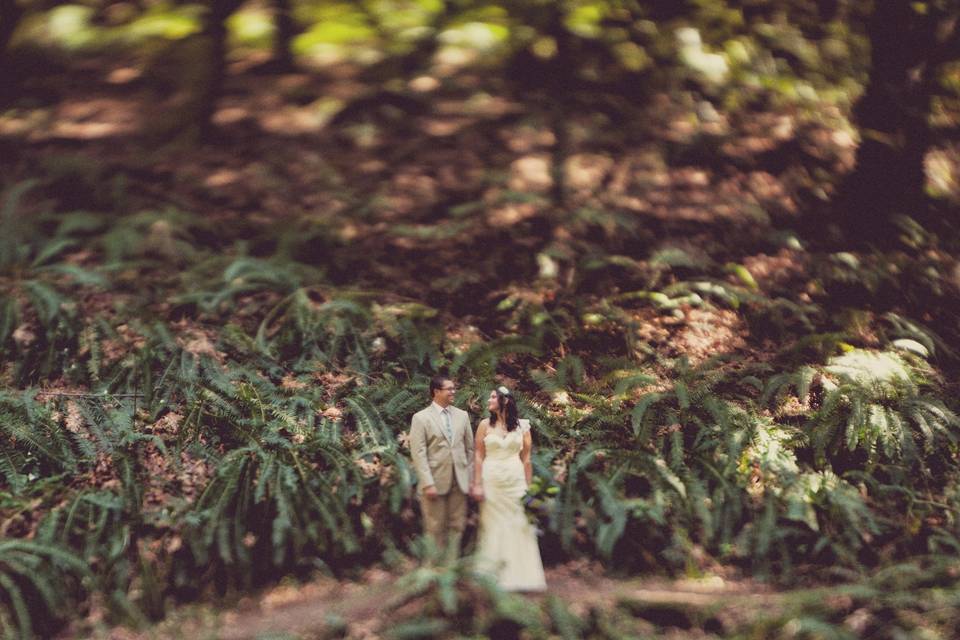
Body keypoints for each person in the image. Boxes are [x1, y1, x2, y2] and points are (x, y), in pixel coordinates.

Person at [471, 385, 546, 591]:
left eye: (493, 397)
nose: (489, 401)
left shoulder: (523, 427)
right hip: (491, 478)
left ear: (504, 401)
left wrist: (530, 489)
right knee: (492, 523)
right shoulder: (484, 425)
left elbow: (527, 459)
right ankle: (492, 575)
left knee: (519, 522)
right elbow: (478, 455)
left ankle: (522, 575)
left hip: (515, 480)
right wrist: (477, 483)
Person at [409, 375, 474, 563]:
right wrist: (427, 483)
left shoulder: (462, 415)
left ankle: (451, 568)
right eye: (449, 389)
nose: (453, 392)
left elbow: (469, 449)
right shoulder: (420, 418)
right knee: (435, 526)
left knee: (457, 525)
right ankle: (434, 571)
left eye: (454, 388)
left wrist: (468, 477)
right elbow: (418, 453)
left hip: (459, 480)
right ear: (436, 392)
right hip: (434, 481)